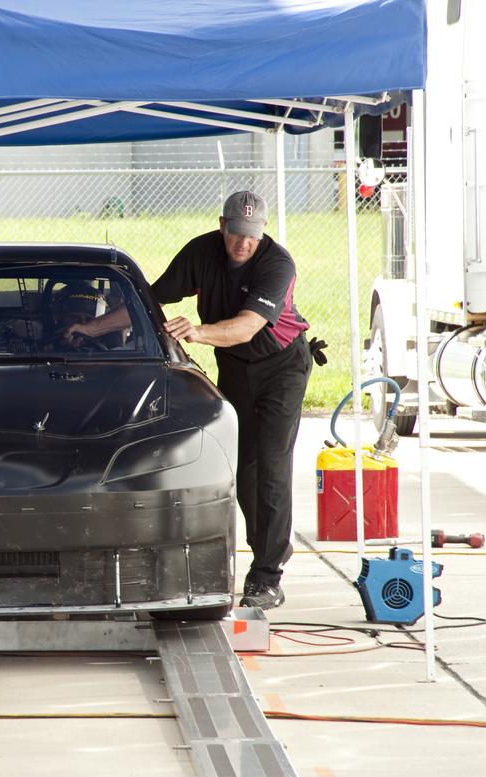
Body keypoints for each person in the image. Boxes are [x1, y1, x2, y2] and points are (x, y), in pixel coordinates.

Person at [66, 190, 310, 610]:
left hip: (280, 367)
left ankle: (267, 576)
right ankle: (271, 545)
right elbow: (152, 300)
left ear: (262, 231)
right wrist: (92, 329)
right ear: (222, 225)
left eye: (251, 236)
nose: (242, 244)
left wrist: (197, 332)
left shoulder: (277, 263)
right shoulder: (202, 252)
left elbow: (249, 327)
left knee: (270, 465)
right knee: (244, 466)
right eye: (236, 233)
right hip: (235, 367)